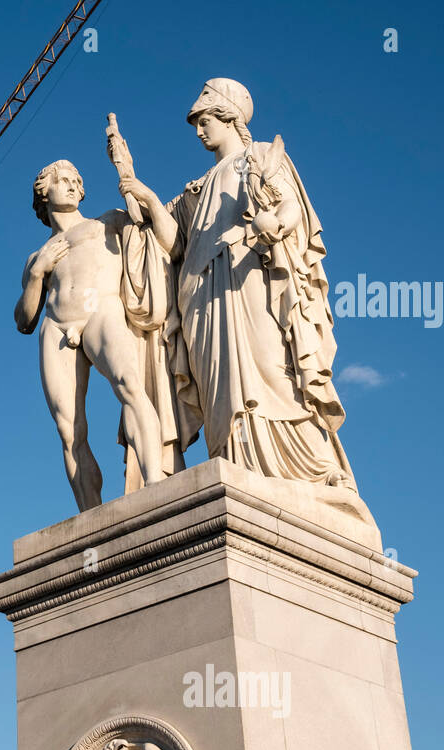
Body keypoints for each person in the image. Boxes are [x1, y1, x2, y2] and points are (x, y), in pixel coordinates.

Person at [137, 78, 358, 488]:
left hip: (249, 278)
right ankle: (235, 464)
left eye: (205, 121)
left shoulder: (257, 157)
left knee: (271, 368)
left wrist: (276, 223)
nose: (200, 130)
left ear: (229, 116)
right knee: (220, 388)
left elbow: (289, 204)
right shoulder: (195, 189)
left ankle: (313, 468)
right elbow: (175, 245)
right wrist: (148, 199)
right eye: (197, 124)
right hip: (202, 295)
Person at [14, 159, 180, 512]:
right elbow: (23, 320)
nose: (73, 185)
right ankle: (90, 517)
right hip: (56, 325)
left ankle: (154, 485)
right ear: (44, 193)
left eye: (77, 180)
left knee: (130, 386)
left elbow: (163, 237)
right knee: (70, 430)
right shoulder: (35, 257)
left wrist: (141, 193)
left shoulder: (107, 222)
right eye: (62, 180)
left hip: (100, 309)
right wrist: (37, 274)